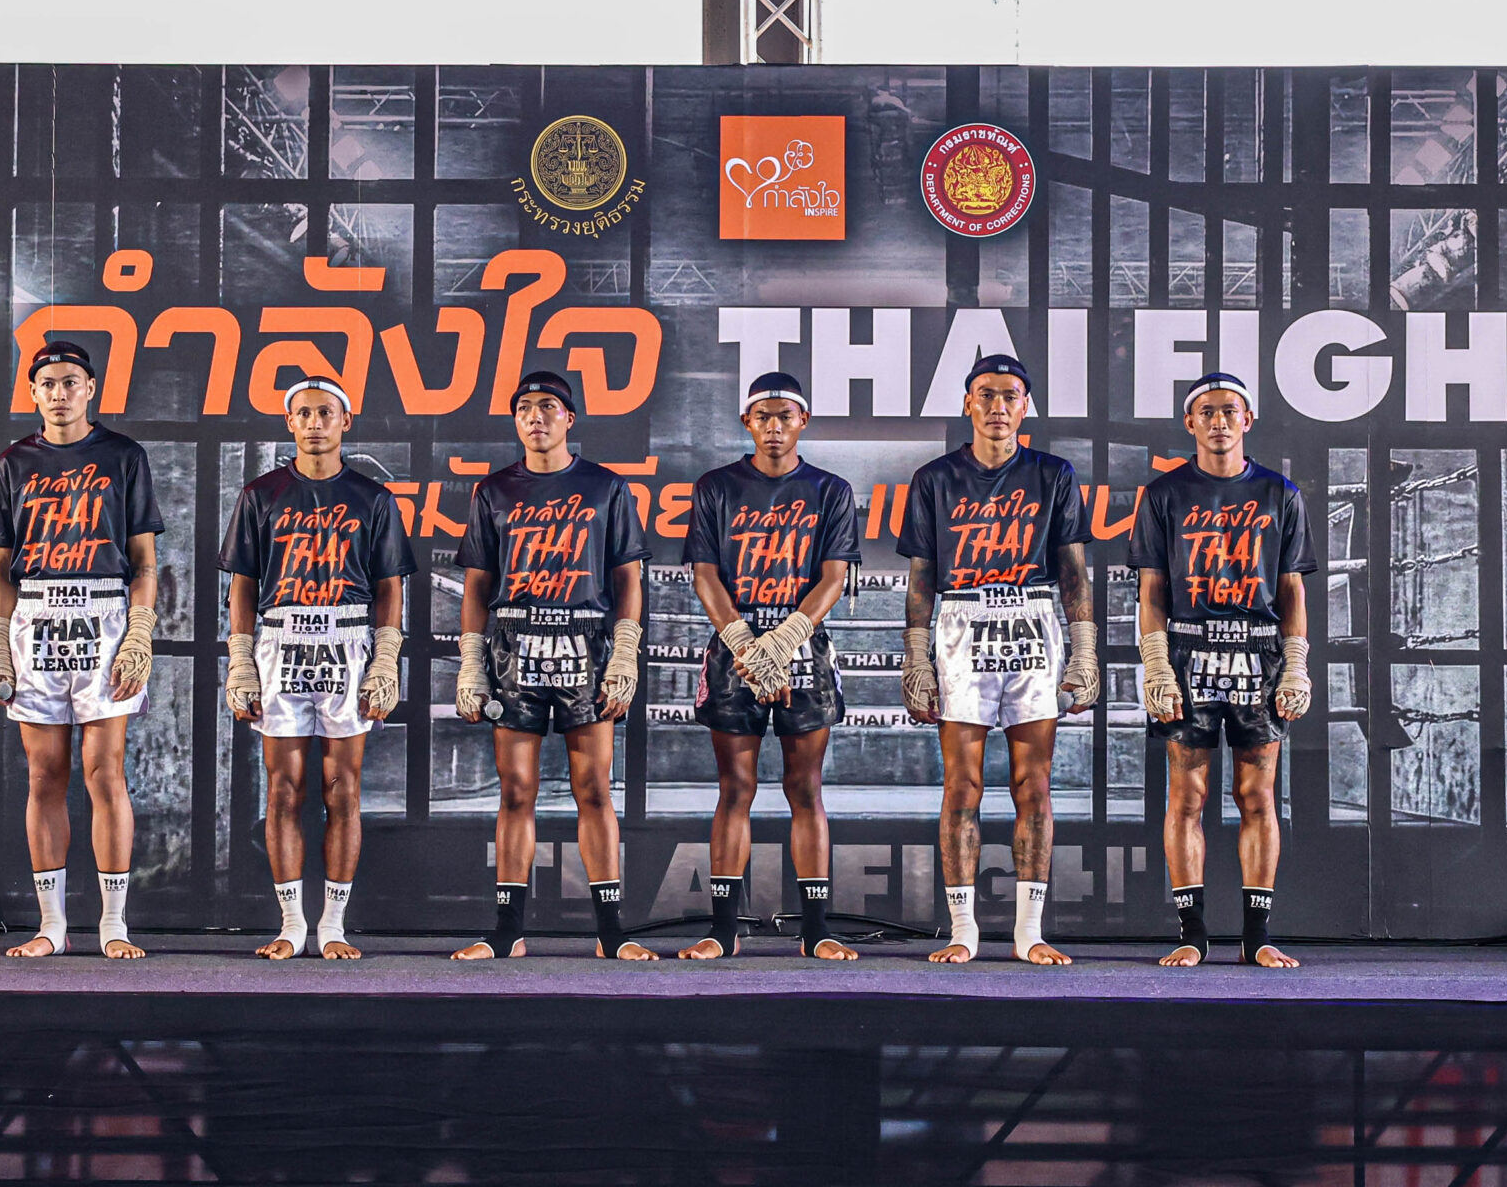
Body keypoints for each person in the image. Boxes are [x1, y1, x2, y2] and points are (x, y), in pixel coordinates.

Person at [898, 354, 1098, 965]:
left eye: (1010, 395)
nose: (998, 406)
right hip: (962, 620)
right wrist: (917, 656)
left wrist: (1085, 648)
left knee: (1033, 783)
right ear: (968, 403)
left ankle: (1028, 932)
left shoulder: (1053, 474)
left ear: (1026, 405)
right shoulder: (935, 478)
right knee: (961, 783)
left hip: (1032, 619)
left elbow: (1073, 570)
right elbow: (921, 577)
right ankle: (963, 930)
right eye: (986, 394)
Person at [450, 370, 656, 961]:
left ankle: (611, 933)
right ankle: (508, 932)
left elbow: (628, 577)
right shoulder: (494, 491)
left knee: (594, 788)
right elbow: (477, 584)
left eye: (547, 407)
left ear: (570, 418)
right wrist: (471, 662)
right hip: (515, 645)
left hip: (585, 645)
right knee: (516, 790)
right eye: (524, 408)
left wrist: (624, 651)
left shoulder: (605, 487)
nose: (535, 417)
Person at [0, 340, 164, 959]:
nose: (59, 393)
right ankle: (52, 927)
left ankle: (113, 923)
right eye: (48, 384)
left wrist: (139, 631)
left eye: (70, 382)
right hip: (37, 615)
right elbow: (0, 564)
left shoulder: (124, 456)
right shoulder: (13, 463)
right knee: (44, 774)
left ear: (90, 389)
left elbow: (144, 560)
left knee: (105, 772)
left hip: (104, 613)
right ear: (33, 393)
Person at [220, 378, 415, 960]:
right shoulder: (260, 494)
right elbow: (243, 584)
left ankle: (332, 925)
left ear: (345, 421)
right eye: (303, 413)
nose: (313, 423)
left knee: (342, 789)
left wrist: (385, 658)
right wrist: (240, 659)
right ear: (289, 422)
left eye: (325, 412)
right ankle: (291, 925)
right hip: (281, 637)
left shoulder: (372, 498)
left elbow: (390, 585)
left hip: (347, 637)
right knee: (282, 788)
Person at [1130, 371, 1314, 969]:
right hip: (1189, 650)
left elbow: (1291, 588)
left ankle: (1257, 936)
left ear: (1248, 419)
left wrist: (1296, 665)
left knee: (1257, 794)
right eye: (1206, 411)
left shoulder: (1280, 493)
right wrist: (1156, 663)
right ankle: (1193, 933)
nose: (1218, 421)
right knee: (1188, 794)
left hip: (1259, 652)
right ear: (1190, 422)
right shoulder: (1164, 494)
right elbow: (1152, 588)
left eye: (1229, 410)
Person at [677, 372, 862, 961]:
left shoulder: (830, 490)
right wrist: (745, 643)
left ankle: (816, 930)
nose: (774, 426)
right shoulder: (717, 486)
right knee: (735, 788)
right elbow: (705, 573)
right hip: (735, 651)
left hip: (802, 648)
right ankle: (723, 930)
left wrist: (783, 642)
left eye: (785, 416)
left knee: (805, 787)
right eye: (763, 416)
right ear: (747, 422)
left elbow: (833, 577)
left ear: (803, 421)